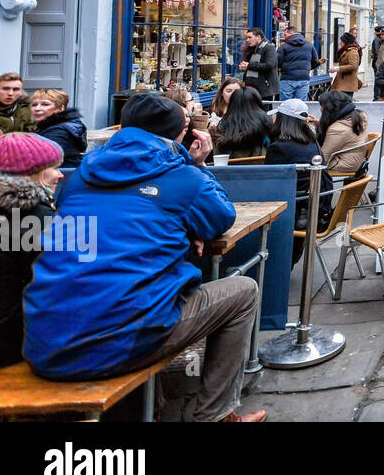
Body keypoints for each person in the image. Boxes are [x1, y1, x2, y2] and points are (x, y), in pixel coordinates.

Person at [21, 93, 265, 421]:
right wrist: (200, 168)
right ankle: (216, 415)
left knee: (138, 291)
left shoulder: (78, 178)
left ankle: (160, 408)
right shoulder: (184, 177)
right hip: (117, 343)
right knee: (243, 292)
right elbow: (220, 217)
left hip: (46, 344)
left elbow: (106, 234)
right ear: (180, 135)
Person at [0, 133, 60, 368]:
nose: (61, 175)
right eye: (54, 168)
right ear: (34, 172)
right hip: (11, 344)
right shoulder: (37, 218)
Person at [266, 98, 334, 265]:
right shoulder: (311, 141)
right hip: (313, 206)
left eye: (278, 116)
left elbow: (268, 181)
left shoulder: (280, 147)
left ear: (284, 120)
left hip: (294, 209)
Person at [29, 89, 87, 168]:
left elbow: (35, 159)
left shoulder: (61, 131)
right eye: (34, 105)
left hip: (60, 176)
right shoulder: (48, 125)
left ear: (60, 108)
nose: (37, 108)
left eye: (45, 104)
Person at [318, 90, 370, 178]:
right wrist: (318, 125)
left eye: (322, 106)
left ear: (331, 108)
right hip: (355, 160)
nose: (320, 109)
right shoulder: (355, 117)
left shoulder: (337, 129)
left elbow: (323, 158)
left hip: (343, 164)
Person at [213, 85, 271, 159]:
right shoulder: (266, 125)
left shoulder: (221, 128)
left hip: (229, 169)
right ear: (258, 103)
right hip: (261, 168)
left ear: (232, 104)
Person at [278, 25, 320, 102]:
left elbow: (277, 62)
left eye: (285, 35)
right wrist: (306, 69)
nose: (284, 37)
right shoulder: (309, 45)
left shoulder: (283, 46)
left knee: (285, 105)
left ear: (290, 33)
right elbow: (315, 61)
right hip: (303, 78)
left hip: (287, 78)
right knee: (301, 105)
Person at [238, 27, 279, 100]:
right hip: (251, 88)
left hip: (264, 89)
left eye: (250, 37)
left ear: (258, 37)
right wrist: (244, 66)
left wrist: (249, 65)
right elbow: (249, 66)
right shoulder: (252, 48)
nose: (247, 40)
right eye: (247, 38)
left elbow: (269, 65)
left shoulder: (269, 48)